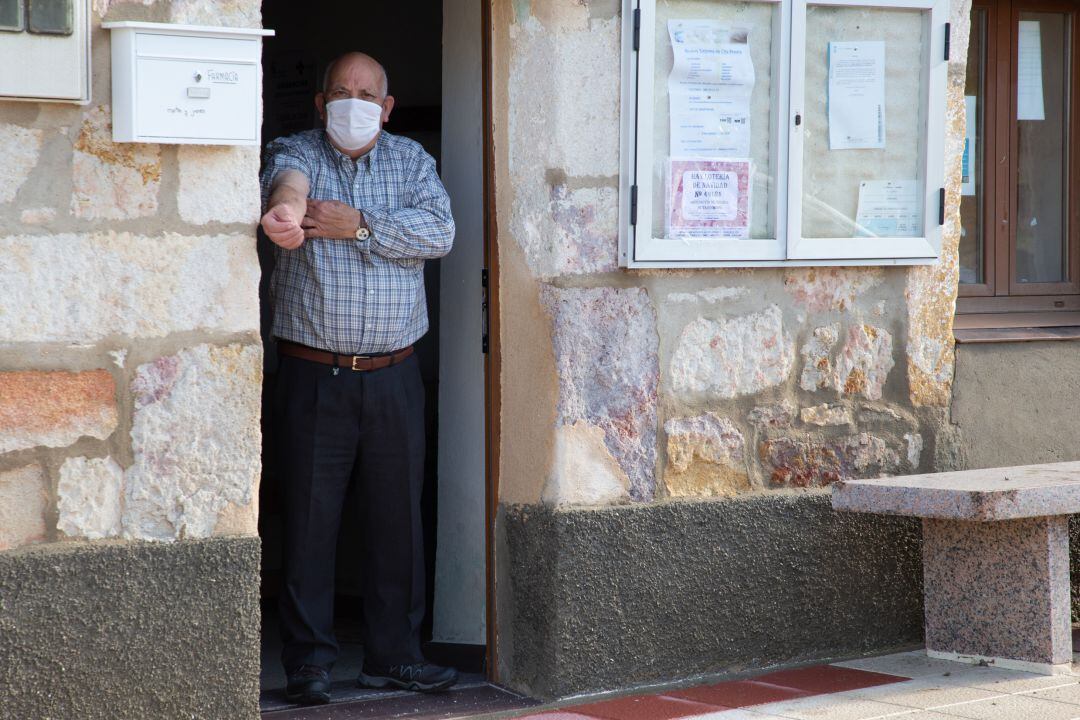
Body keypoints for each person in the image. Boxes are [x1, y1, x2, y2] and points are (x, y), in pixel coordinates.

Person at [259, 51, 457, 706]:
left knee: (396, 521)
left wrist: (361, 225)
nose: (353, 100)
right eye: (341, 91)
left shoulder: (411, 162)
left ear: (387, 106)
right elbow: (286, 184)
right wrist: (288, 216)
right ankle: (309, 663)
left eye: (366, 92)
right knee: (310, 523)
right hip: (315, 376)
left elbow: (441, 232)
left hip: (394, 375)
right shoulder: (299, 149)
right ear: (321, 103)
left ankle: (392, 656)